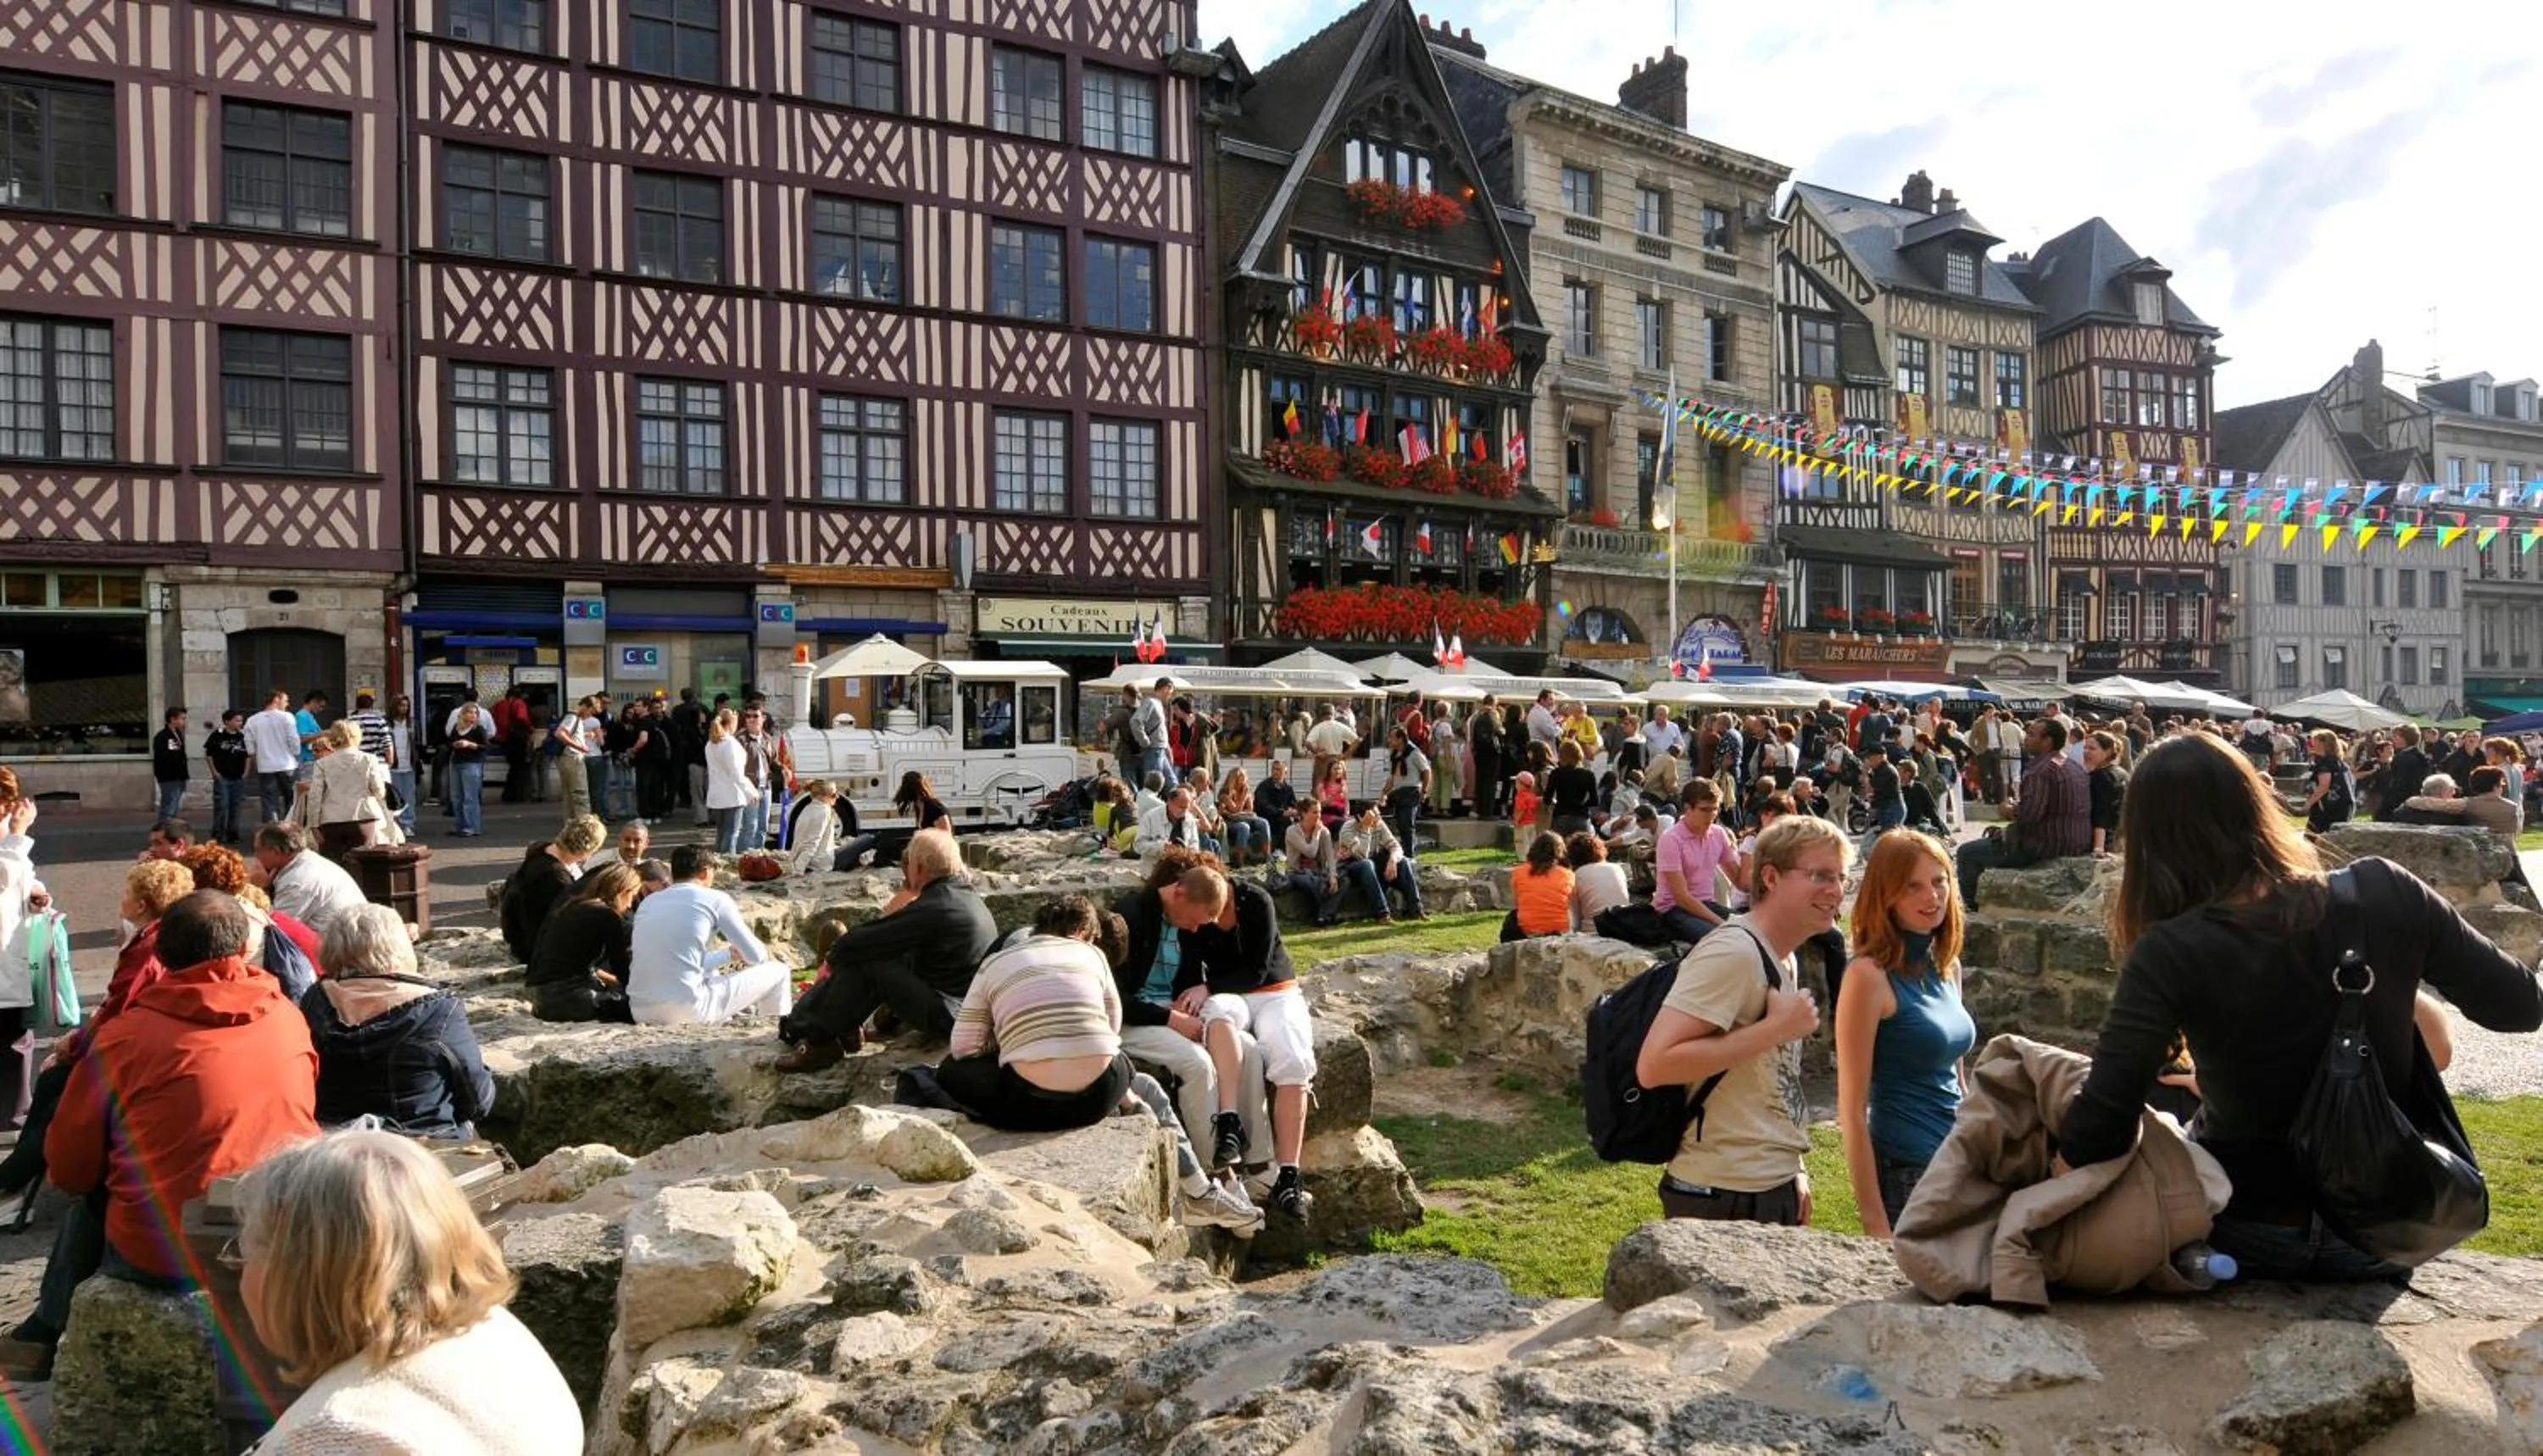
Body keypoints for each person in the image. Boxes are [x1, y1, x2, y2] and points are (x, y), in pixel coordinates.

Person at [2061, 733, 2543, 1281]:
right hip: (2383, 1227)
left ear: (2149, 837)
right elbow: (2520, 1007)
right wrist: (2377, 975)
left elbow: (2100, 1126)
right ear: (2256, 804)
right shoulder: (2384, 890)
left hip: (2249, 1226)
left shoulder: (2170, 947)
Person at [0, 892, 317, 1376]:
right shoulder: (288, 1017)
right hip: (279, 1220)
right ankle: (38, 1335)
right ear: (244, 948)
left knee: (98, 1198)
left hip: (169, 1248)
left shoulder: (127, 1037)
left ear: (162, 955)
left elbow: (70, 1167)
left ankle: (41, 1333)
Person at [231, 1130, 585, 1453]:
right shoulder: (495, 1332)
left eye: (243, 1253)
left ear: (297, 1275)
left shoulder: (340, 1431)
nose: (240, 1271)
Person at [1634, 815, 1840, 1225]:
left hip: (1769, 1182)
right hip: (1721, 1192)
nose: (1835, 890)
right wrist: (1774, 1029)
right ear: (1771, 878)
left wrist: (1794, 1166)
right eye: (1819, 875)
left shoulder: (1782, 954)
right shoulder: (1733, 952)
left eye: (1840, 877)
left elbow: (1772, 1077)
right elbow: (1655, 1065)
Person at [1834, 831, 1975, 1239]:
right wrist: (1874, 1221)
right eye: (1912, 886)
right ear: (1886, 895)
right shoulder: (1867, 977)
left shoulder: (1947, 966)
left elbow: (1957, 1079)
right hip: (1908, 1173)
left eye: (1939, 881)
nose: (1932, 896)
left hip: (1960, 1163)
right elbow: (1851, 1110)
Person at [777, 830, 995, 1069]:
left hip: (951, 1015)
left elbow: (865, 941)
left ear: (919, 867)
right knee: (886, 953)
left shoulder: (938, 905)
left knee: (870, 962)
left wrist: (832, 959)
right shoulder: (963, 897)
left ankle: (818, 1040)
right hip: (964, 1012)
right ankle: (846, 1026)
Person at [932, 895, 1135, 1132]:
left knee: (950, 1069)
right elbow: (1113, 1027)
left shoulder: (994, 963)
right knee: (1120, 1058)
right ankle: (1131, 1102)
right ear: (1082, 932)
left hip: (1030, 1103)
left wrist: (1010, 1038)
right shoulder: (1093, 954)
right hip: (1100, 1097)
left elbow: (963, 1047)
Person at [303, 903, 495, 1138]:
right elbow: (478, 1100)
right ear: (399, 947)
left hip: (333, 1142)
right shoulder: (439, 1010)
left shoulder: (315, 1001)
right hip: (422, 1142)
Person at [626, 846, 793, 1026]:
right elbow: (756, 956)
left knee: (710, 973)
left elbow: (682, 960)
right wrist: (743, 952)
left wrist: (727, 955)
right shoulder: (715, 899)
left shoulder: (649, 902)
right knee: (779, 971)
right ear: (705, 872)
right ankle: (776, 1031)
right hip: (687, 1009)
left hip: (640, 1010)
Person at [1954, 718, 2092, 906]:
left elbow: (2030, 815)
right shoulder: (2073, 766)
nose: (2026, 738)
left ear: (2047, 741)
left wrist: (2008, 809)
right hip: (2076, 841)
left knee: (1967, 853)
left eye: (2031, 735)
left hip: (2045, 845)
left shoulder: (2041, 771)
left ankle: (1971, 907)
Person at [526, 864, 638, 1024]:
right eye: (632, 896)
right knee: (637, 1008)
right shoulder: (607, 916)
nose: (630, 905)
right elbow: (621, 965)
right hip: (571, 998)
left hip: (543, 998)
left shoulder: (573, 906)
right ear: (623, 892)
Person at [499, 815, 605, 961]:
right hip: (536, 946)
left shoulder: (542, 849)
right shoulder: (555, 877)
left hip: (524, 934)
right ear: (585, 851)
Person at [1653, 780, 1743, 943]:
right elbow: (1681, 897)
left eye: (1715, 809)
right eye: (1705, 809)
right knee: (1722, 939)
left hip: (1706, 904)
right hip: (1673, 909)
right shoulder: (1671, 839)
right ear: (1687, 808)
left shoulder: (1718, 833)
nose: (1712, 815)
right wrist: (1721, 923)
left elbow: (1740, 881)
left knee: (1753, 930)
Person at [253, 820, 367, 938]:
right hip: (345, 937)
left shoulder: (297, 880)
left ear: (275, 851)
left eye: (257, 850)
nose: (255, 856)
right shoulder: (305, 863)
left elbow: (276, 931)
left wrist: (261, 889)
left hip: (345, 944)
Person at [303, 720, 394, 861]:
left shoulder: (322, 763)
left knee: (333, 866)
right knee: (362, 866)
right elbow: (379, 791)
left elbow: (315, 796)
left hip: (331, 820)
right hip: (363, 818)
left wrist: (314, 825)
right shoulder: (369, 759)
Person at [1340, 803, 1422, 920]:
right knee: (1367, 864)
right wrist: (1366, 829)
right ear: (1360, 817)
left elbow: (1396, 847)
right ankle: (1382, 913)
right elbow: (1363, 855)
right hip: (1353, 866)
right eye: (1375, 816)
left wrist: (1392, 860)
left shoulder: (1379, 824)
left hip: (1373, 866)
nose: (1379, 819)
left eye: (1379, 815)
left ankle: (1416, 909)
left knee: (1403, 861)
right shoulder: (1348, 829)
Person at [246, 687, 304, 825]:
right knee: (292, 801)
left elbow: (250, 746)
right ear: (276, 700)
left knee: (269, 803)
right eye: (285, 700)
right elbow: (293, 740)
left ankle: (271, 831)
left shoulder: (252, 720)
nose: (287, 704)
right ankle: (290, 829)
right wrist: (296, 754)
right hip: (287, 765)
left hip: (266, 766)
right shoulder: (287, 717)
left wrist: (257, 761)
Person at [1505, 831, 1574, 941]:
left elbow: (1516, 903)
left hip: (1527, 929)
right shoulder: (1567, 875)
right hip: (1561, 929)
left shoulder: (1518, 872)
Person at [704, 708, 750, 853]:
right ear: (732, 722)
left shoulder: (711, 743)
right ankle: (727, 861)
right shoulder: (730, 743)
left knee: (722, 832)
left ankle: (718, 862)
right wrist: (750, 791)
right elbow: (736, 772)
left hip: (717, 794)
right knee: (731, 834)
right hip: (732, 794)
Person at [1380, 724, 1429, 850]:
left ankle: (1410, 854)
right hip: (1398, 792)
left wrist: (1424, 791)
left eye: (1392, 737)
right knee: (1401, 825)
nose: (1389, 740)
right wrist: (1384, 793)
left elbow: (1426, 771)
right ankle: (1405, 851)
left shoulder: (1413, 752)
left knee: (1407, 824)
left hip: (1411, 791)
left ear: (1400, 739)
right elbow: (1393, 777)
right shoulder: (1395, 754)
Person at [445, 702, 490, 837]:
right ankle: (459, 825)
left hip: (472, 764)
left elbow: (486, 747)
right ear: (463, 714)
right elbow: (449, 743)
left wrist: (470, 744)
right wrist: (455, 744)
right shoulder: (456, 728)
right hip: (456, 763)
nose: (473, 715)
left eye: (475, 713)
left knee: (470, 797)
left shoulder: (478, 729)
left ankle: (471, 827)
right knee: (456, 796)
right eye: (470, 712)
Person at [1216, 767, 1273, 869]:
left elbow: (1250, 810)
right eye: (1241, 776)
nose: (1245, 778)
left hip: (1245, 818)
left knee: (1263, 822)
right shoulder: (1225, 793)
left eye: (1245, 776)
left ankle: (1267, 857)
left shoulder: (1246, 790)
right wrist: (1242, 799)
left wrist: (1238, 810)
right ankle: (1240, 861)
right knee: (1244, 827)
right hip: (1230, 821)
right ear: (1234, 778)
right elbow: (1235, 810)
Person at [2373, 725, 2430, 823]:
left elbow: (2399, 785)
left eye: (2396, 736)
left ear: (2405, 738)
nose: (2393, 739)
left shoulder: (2402, 758)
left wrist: (2386, 807)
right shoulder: (2421, 756)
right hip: (2417, 802)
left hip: (2400, 805)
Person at [2084, 731, 2129, 855]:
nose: (2086, 752)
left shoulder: (2100, 777)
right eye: (2085, 748)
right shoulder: (2122, 773)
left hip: (2105, 842)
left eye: (2092, 749)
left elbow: (2101, 814)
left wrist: (2098, 848)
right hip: (2122, 838)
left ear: (2108, 752)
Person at [2302, 727, 2354, 835]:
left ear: (2323, 743)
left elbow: (2324, 786)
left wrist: (2308, 804)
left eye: (2315, 741)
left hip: (2328, 808)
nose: (2312, 743)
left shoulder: (2325, 763)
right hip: (2343, 805)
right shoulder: (2338, 762)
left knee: (2313, 838)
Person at [1542, 739, 1597, 836]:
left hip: (1561, 815)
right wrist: (1582, 805)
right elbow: (1594, 801)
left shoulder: (1556, 773)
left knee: (1559, 844)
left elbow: (1547, 799)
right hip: (1581, 818)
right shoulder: (1588, 775)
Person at [386, 696, 420, 837]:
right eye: (401, 705)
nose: (404, 708)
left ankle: (408, 824)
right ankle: (394, 825)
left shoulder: (412, 723)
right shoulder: (387, 723)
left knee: (409, 796)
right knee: (393, 797)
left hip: (409, 764)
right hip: (393, 765)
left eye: (406, 705)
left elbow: (417, 742)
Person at [150, 707, 192, 823]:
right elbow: (164, 756)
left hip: (179, 775)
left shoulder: (177, 734)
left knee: (175, 805)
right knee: (169, 804)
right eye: (182, 719)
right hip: (169, 776)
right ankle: (164, 828)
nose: (184, 722)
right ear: (173, 719)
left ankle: (172, 829)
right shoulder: (162, 737)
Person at [1133, 679, 1176, 789]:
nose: (1170, 696)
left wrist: (1167, 748)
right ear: (1166, 688)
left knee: (1172, 783)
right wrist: (1144, 741)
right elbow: (1135, 721)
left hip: (1159, 750)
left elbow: (1160, 730)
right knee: (1154, 786)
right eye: (1170, 692)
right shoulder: (1150, 702)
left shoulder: (1158, 704)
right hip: (1153, 750)